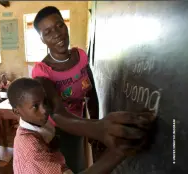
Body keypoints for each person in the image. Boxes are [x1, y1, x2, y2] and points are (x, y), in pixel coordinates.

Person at [31, 6, 156, 172]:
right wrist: (98, 129)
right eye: (47, 32)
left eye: (59, 26)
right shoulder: (42, 71)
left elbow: (90, 92)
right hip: (57, 131)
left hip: (80, 122)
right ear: (42, 39)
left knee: (79, 163)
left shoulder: (81, 56)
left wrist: (95, 122)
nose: (57, 34)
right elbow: (57, 112)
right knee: (68, 167)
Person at [8, 78, 155, 174]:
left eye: (44, 102)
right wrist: (117, 153)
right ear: (16, 111)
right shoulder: (31, 150)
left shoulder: (36, 122)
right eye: (35, 106)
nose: (45, 109)